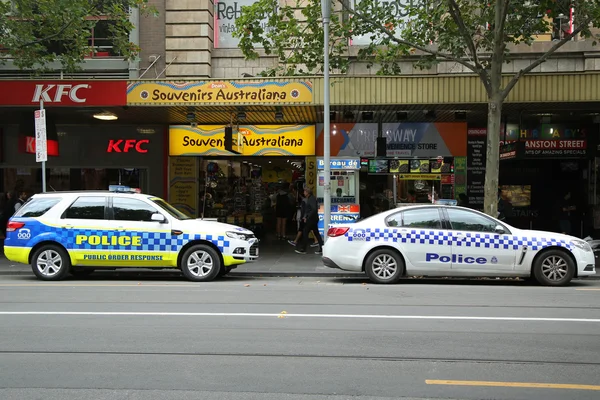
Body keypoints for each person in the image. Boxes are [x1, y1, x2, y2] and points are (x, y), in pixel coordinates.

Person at [295, 187, 324, 255]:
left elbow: (313, 209)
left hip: (311, 219)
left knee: (305, 232)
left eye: (305, 191)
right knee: (316, 233)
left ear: (307, 192)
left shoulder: (311, 199)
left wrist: (307, 217)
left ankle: (303, 249)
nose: (304, 193)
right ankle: (322, 248)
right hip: (313, 219)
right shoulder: (311, 198)